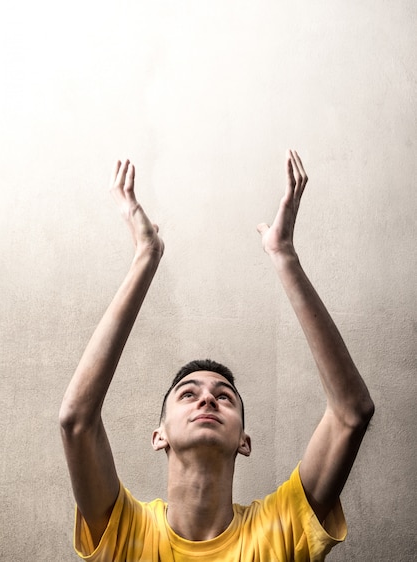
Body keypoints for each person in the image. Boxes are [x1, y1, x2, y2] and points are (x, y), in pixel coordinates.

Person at [59, 151, 374, 561]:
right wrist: (145, 258)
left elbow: (352, 412)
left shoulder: (279, 529)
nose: (208, 398)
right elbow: (76, 421)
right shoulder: (126, 532)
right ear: (160, 436)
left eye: (224, 396)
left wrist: (284, 255)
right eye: (188, 394)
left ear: (244, 441)